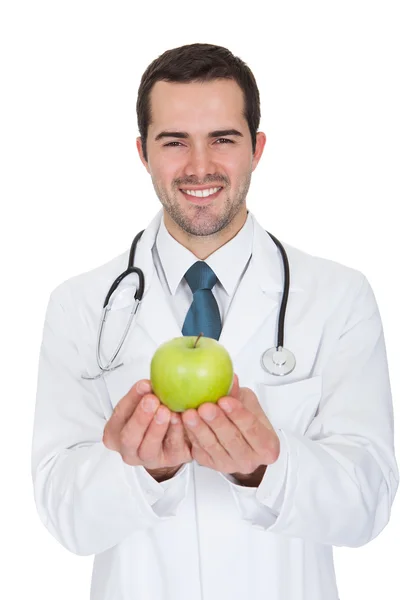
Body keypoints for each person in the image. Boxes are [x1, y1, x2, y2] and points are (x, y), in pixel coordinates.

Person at [31, 42, 398, 600]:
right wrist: (142, 471)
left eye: (223, 139)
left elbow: (369, 504)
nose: (199, 167)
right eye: (174, 142)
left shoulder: (338, 297)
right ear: (142, 153)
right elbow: (65, 517)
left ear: (257, 148)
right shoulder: (80, 305)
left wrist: (265, 468)